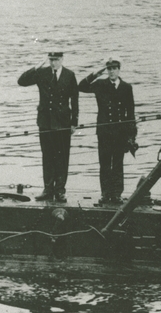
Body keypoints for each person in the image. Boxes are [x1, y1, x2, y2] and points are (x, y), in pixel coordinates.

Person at [18, 51, 79, 202]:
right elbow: (22, 81)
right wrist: (36, 67)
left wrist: (74, 122)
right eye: (51, 60)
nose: (53, 63)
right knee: (48, 156)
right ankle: (48, 189)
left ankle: (60, 190)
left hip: (63, 123)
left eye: (56, 60)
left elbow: (75, 99)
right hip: (45, 122)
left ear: (62, 59)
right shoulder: (42, 73)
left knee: (62, 157)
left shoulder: (69, 75)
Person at [78, 59, 138, 205]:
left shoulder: (126, 87)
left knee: (117, 164)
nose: (112, 71)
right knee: (104, 164)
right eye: (109, 69)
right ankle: (105, 194)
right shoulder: (100, 84)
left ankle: (116, 194)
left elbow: (130, 113)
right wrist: (94, 74)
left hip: (120, 132)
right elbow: (81, 86)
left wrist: (131, 135)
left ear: (119, 70)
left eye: (114, 69)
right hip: (104, 132)